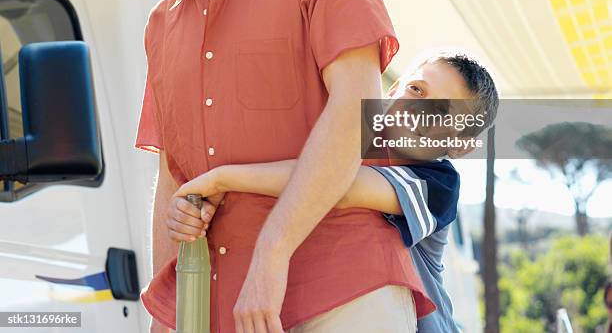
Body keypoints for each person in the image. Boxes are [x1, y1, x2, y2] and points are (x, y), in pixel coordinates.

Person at [134, 0, 434, 333]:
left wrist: (272, 254)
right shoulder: (161, 23)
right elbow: (170, 177)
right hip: (218, 306)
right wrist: (170, 314)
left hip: (342, 288)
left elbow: (355, 111)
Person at [169, 52, 499, 332]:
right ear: (393, 88)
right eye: (417, 89)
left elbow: (336, 186)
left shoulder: (437, 183)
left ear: (459, 147)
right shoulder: (345, 141)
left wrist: (222, 179)